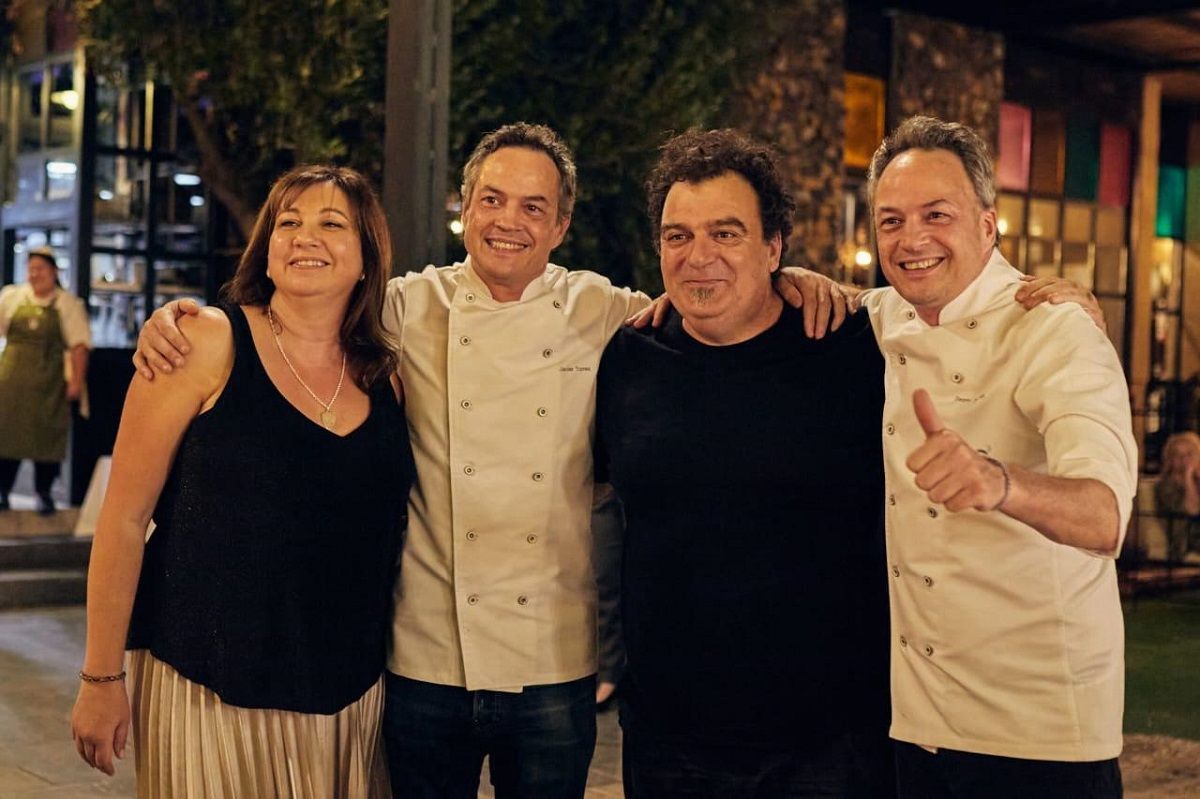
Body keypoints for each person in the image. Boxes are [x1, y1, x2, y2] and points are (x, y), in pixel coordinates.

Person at [132, 123, 857, 798]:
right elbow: (299, 312)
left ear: (560, 226)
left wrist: (802, 283)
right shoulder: (402, 307)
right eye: (492, 199)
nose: (509, 220)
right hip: (424, 659)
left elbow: (713, 299)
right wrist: (188, 319)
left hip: (554, 666)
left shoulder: (608, 313)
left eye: (533, 206)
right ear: (465, 208)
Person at [69, 165, 415, 797]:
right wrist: (100, 678)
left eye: (331, 224)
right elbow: (121, 520)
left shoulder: (383, 377)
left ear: (368, 258)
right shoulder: (202, 341)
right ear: (267, 246)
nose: (305, 237)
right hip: (207, 684)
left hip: (347, 698)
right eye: (289, 223)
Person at [595, 129, 895, 797]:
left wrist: (1053, 304)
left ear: (774, 248)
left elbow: (955, 317)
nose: (699, 257)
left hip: (830, 744)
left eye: (726, 234)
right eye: (679, 236)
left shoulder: (851, 349)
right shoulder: (627, 357)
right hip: (669, 741)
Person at [860, 116, 1137, 798]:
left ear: (988, 226)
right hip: (917, 725)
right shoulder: (876, 317)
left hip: (1041, 732)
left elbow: (1104, 517)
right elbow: (795, 297)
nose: (911, 238)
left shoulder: (1053, 328)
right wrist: (798, 284)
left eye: (936, 214)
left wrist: (998, 482)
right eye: (890, 220)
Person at [0, 246, 91, 514]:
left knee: (47, 441)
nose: (34, 274)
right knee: (7, 436)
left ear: (53, 271)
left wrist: (76, 380)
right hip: (12, 381)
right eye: (31, 269)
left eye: (40, 269)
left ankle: (44, 493)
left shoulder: (67, 304)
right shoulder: (11, 297)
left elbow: (79, 346)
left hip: (50, 384)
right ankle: (2, 491)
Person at [1156, 431, 1200, 562]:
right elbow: (1192, 510)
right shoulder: (1165, 486)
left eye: (1189, 454)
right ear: (1169, 459)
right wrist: (1188, 478)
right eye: (1177, 455)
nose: (1184, 460)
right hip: (1185, 542)